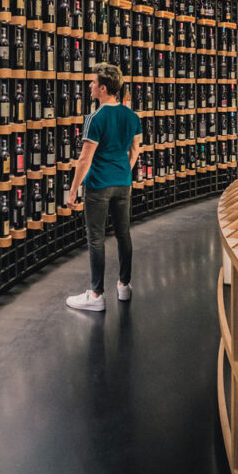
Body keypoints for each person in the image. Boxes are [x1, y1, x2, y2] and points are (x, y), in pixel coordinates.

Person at [66, 62, 141, 311]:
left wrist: (73, 189)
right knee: (123, 234)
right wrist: (123, 172)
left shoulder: (94, 118)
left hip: (98, 186)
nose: (90, 85)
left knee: (96, 238)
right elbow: (134, 151)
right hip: (123, 184)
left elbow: (85, 159)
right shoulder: (132, 117)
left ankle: (96, 295)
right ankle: (124, 286)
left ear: (104, 88)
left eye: (93, 82)